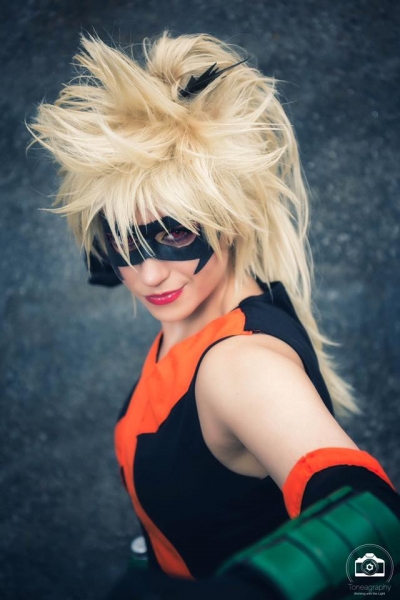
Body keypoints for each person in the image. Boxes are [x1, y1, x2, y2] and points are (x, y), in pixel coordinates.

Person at [29, 32, 400, 599]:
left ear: (229, 219)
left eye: (175, 233)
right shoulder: (195, 320)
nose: (149, 275)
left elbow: (372, 522)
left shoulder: (241, 364)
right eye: (123, 241)